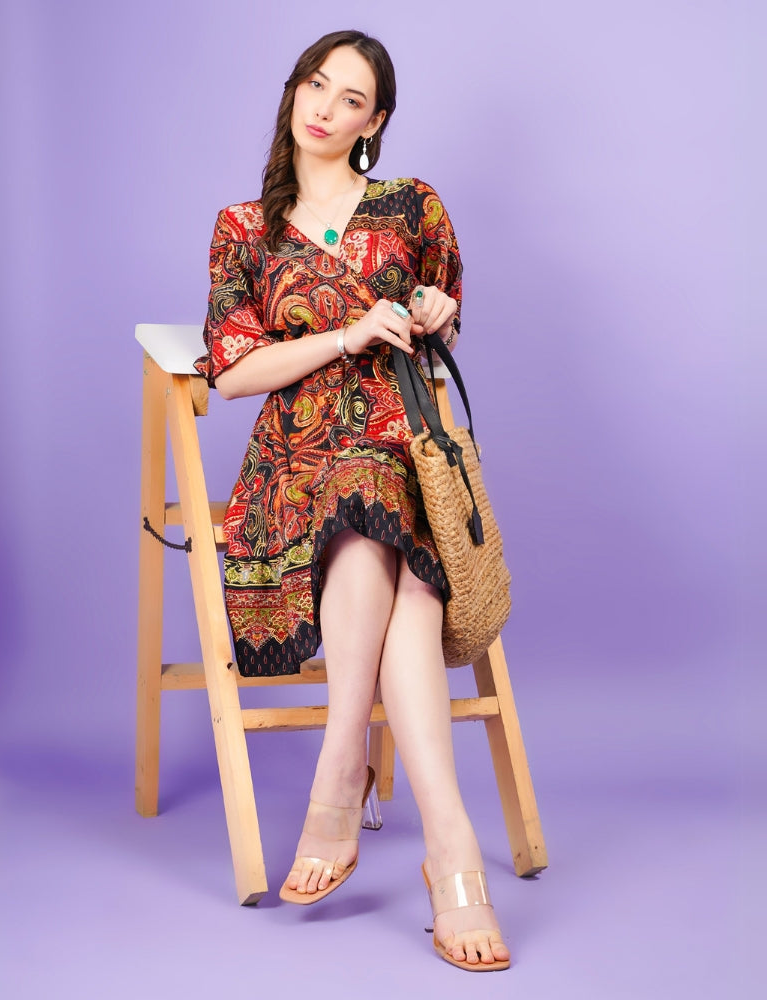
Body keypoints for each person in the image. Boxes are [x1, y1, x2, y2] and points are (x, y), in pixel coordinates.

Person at [195, 29, 510, 972]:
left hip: (404, 447)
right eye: (316, 85)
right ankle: (449, 847)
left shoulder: (412, 205)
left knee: (385, 516)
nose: (326, 108)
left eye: (352, 99)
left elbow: (444, 310)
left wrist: (434, 311)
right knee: (379, 523)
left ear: (375, 123)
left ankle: (345, 777)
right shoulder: (243, 228)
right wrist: (347, 335)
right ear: (295, 91)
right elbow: (233, 371)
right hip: (293, 462)